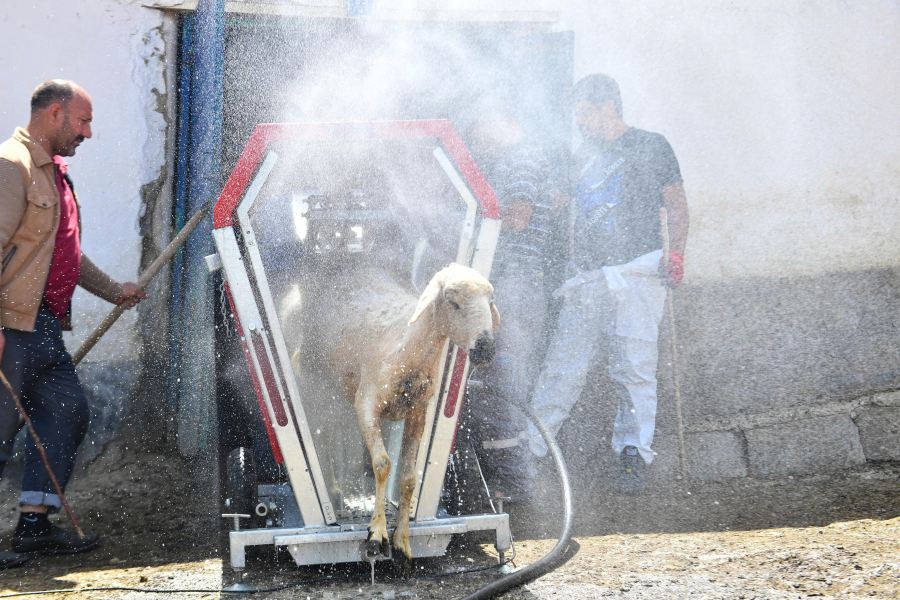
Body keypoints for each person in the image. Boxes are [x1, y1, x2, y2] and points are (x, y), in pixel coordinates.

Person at [0, 79, 145, 567]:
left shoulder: (56, 174)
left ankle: (35, 525)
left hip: (42, 325)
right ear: (56, 114)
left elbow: (66, 255)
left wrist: (114, 291)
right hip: (8, 326)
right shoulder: (11, 166)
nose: (88, 132)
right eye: (83, 121)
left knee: (67, 412)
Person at [523, 73, 689, 491]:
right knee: (563, 365)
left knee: (635, 366)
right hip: (589, 276)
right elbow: (557, 204)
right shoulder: (580, 156)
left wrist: (676, 254)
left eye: (584, 113)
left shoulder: (652, 145)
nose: (580, 122)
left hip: (639, 271)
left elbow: (676, 204)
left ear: (608, 106)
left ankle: (633, 453)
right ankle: (533, 449)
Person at [463, 97, 560, 502]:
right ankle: (506, 481)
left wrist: (470, 219)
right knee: (494, 383)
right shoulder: (518, 161)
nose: (479, 138)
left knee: (507, 381)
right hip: (510, 286)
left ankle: (518, 484)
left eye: (484, 127)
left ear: (504, 120)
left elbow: (517, 219)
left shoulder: (521, 158)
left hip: (516, 287)